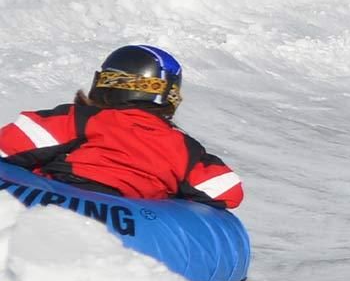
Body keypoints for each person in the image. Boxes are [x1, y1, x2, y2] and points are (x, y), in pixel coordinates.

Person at [0, 45, 244, 208]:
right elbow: (228, 191)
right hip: (133, 226)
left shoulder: (82, 119)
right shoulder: (183, 147)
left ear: (106, 84)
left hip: (57, 202)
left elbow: (10, 144)